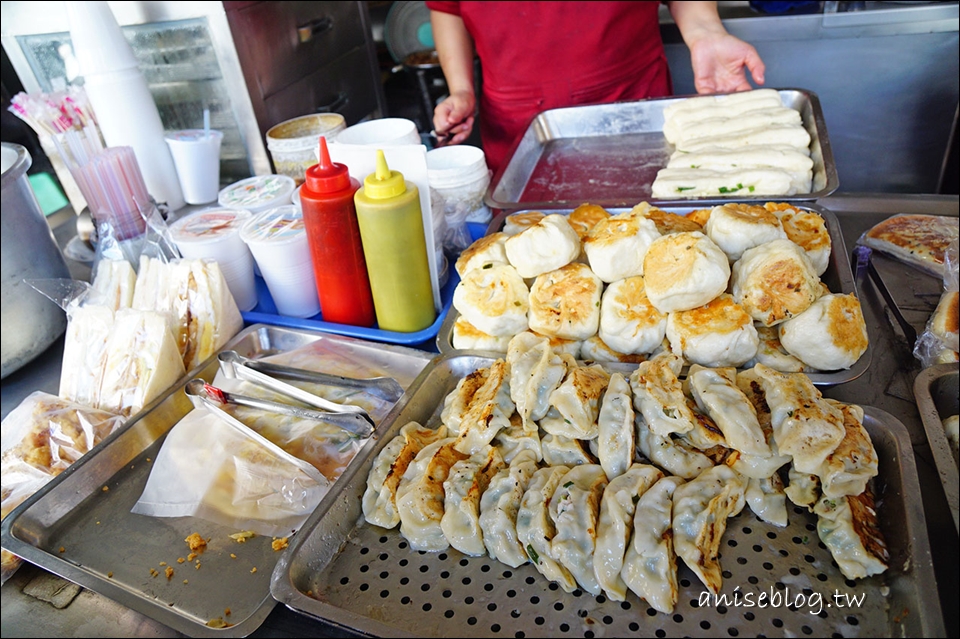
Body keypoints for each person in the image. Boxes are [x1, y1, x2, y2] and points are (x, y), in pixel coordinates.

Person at [426, 1, 766, 174]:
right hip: (519, 126)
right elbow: (446, 9)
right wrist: (461, 89)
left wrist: (706, 33)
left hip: (634, 107)